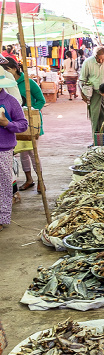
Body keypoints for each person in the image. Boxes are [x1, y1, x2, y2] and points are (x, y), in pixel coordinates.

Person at [3, 57, 45, 193]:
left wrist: (29, 110)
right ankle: (29, 179)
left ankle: (40, 180)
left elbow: (41, 100)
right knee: (23, 154)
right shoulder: (4, 84)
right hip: (11, 124)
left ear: (15, 68)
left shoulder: (28, 82)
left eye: (7, 69)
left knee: (33, 153)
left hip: (29, 122)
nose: (5, 72)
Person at [0, 70, 28, 231]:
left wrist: (6, 123)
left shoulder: (10, 101)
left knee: (4, 184)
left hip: (3, 149)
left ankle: (2, 218)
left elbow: (23, 124)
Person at [79, 46, 104, 142]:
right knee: (95, 117)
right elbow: (82, 80)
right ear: (94, 56)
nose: (100, 61)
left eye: (102, 59)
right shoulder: (88, 63)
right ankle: (96, 141)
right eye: (98, 59)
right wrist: (83, 95)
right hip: (94, 93)